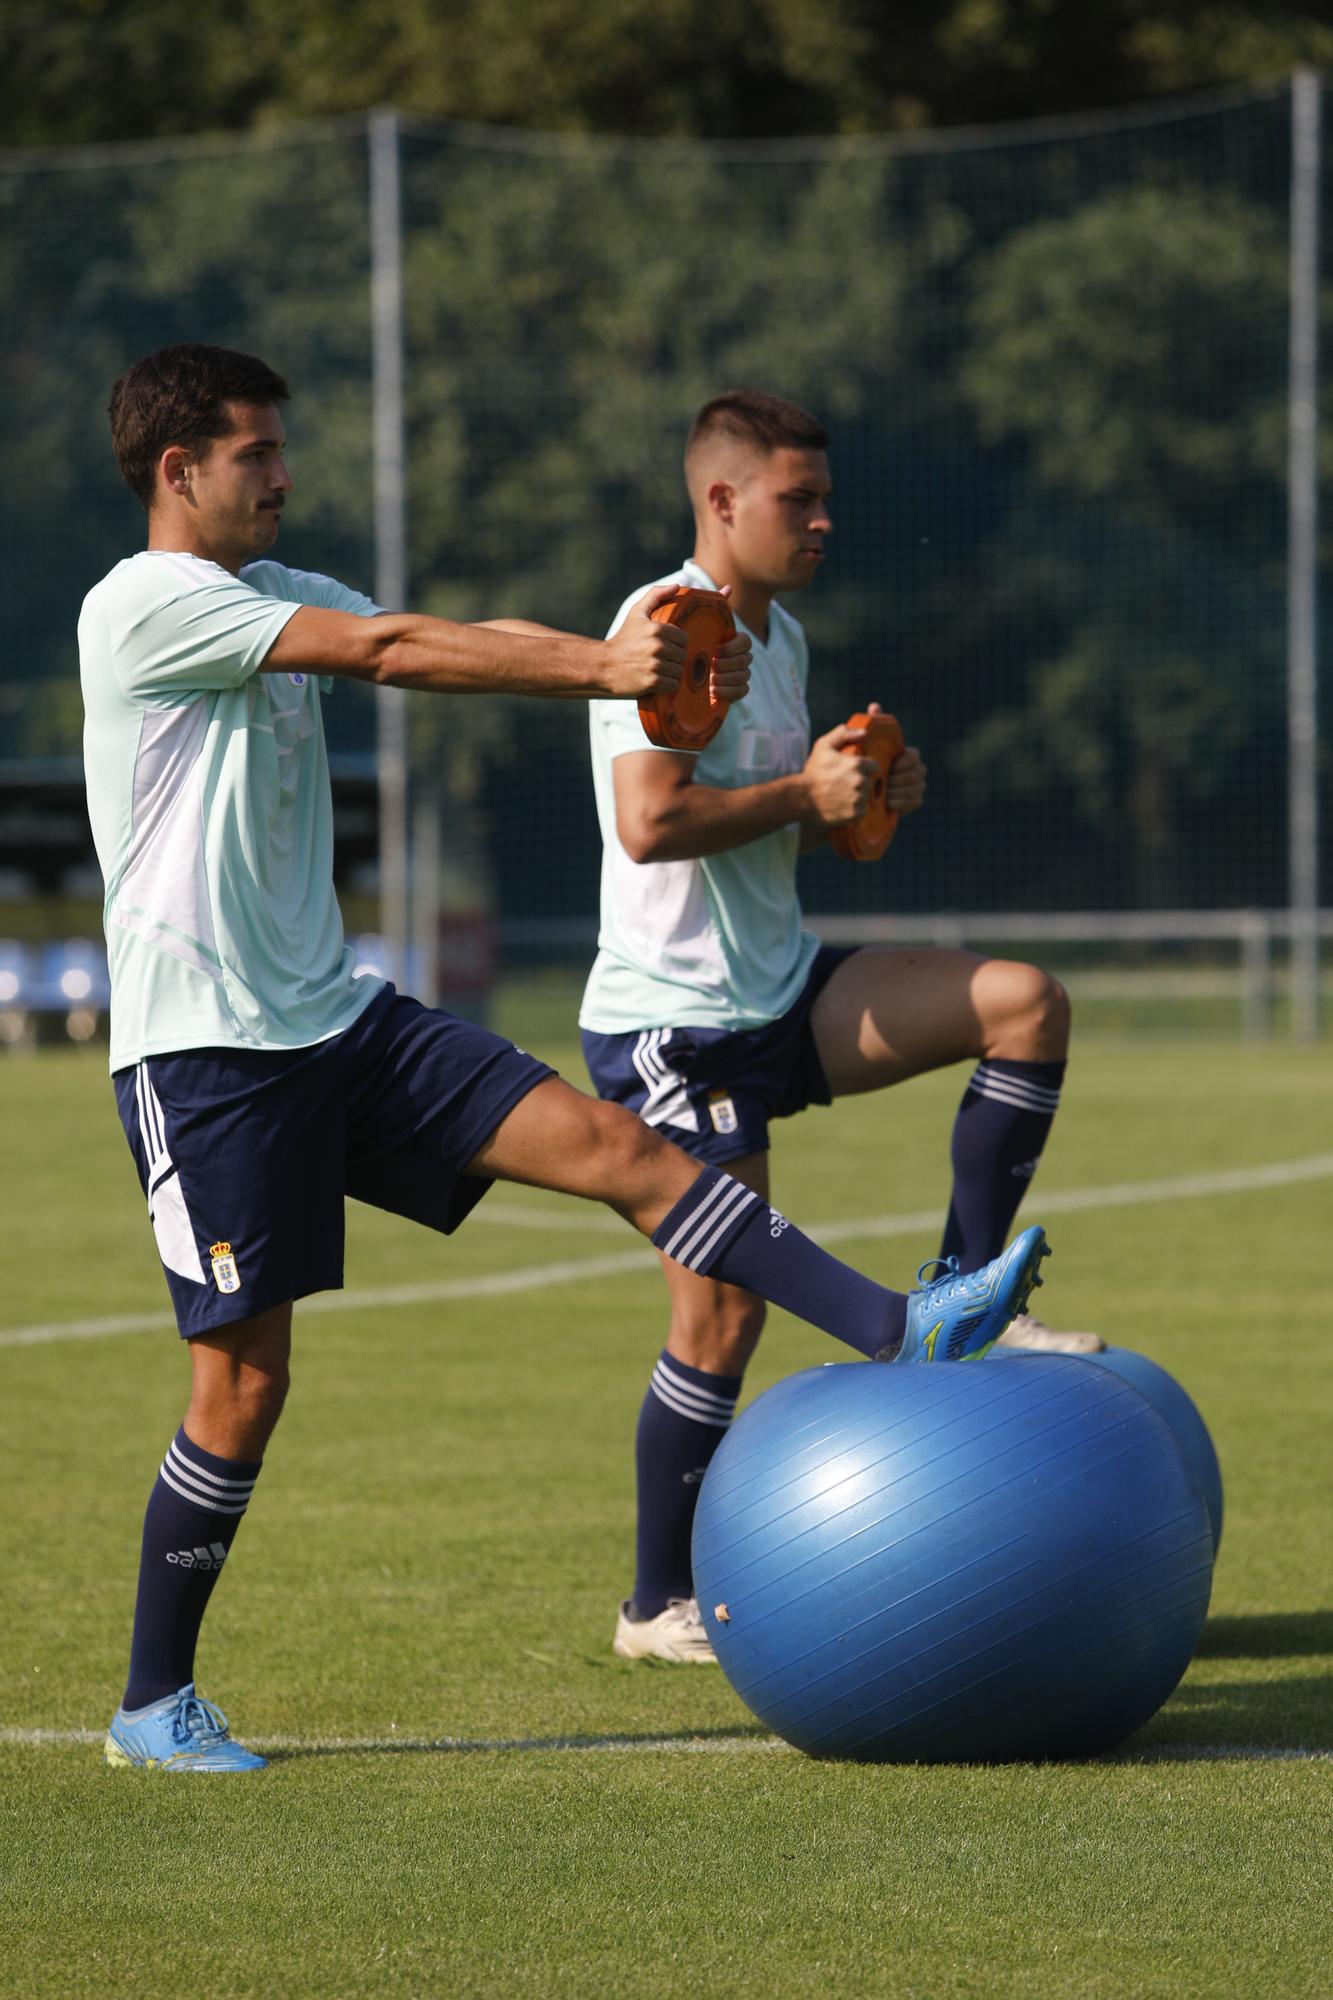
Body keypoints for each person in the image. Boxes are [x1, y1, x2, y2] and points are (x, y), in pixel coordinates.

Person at [81, 345, 1051, 1773]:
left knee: (631, 1156)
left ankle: (905, 1329)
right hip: (208, 1058)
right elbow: (392, 653)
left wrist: (597, 675)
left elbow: (430, 634)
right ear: (178, 472)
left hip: (340, 1022)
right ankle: (152, 1700)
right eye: (256, 454)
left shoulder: (276, 594)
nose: (285, 472)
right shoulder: (144, 604)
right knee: (242, 1389)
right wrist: (610, 665)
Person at [580, 389, 1100, 1666]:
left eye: (822, 496)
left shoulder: (783, 635)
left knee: (1023, 1001)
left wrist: (854, 802)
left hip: (780, 991)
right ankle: (654, 1604)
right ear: (720, 501)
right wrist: (799, 790)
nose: (823, 518)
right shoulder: (659, 627)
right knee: (717, 1323)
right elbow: (649, 823)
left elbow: (777, 815)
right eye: (795, 498)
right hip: (675, 1025)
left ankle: (962, 1296)